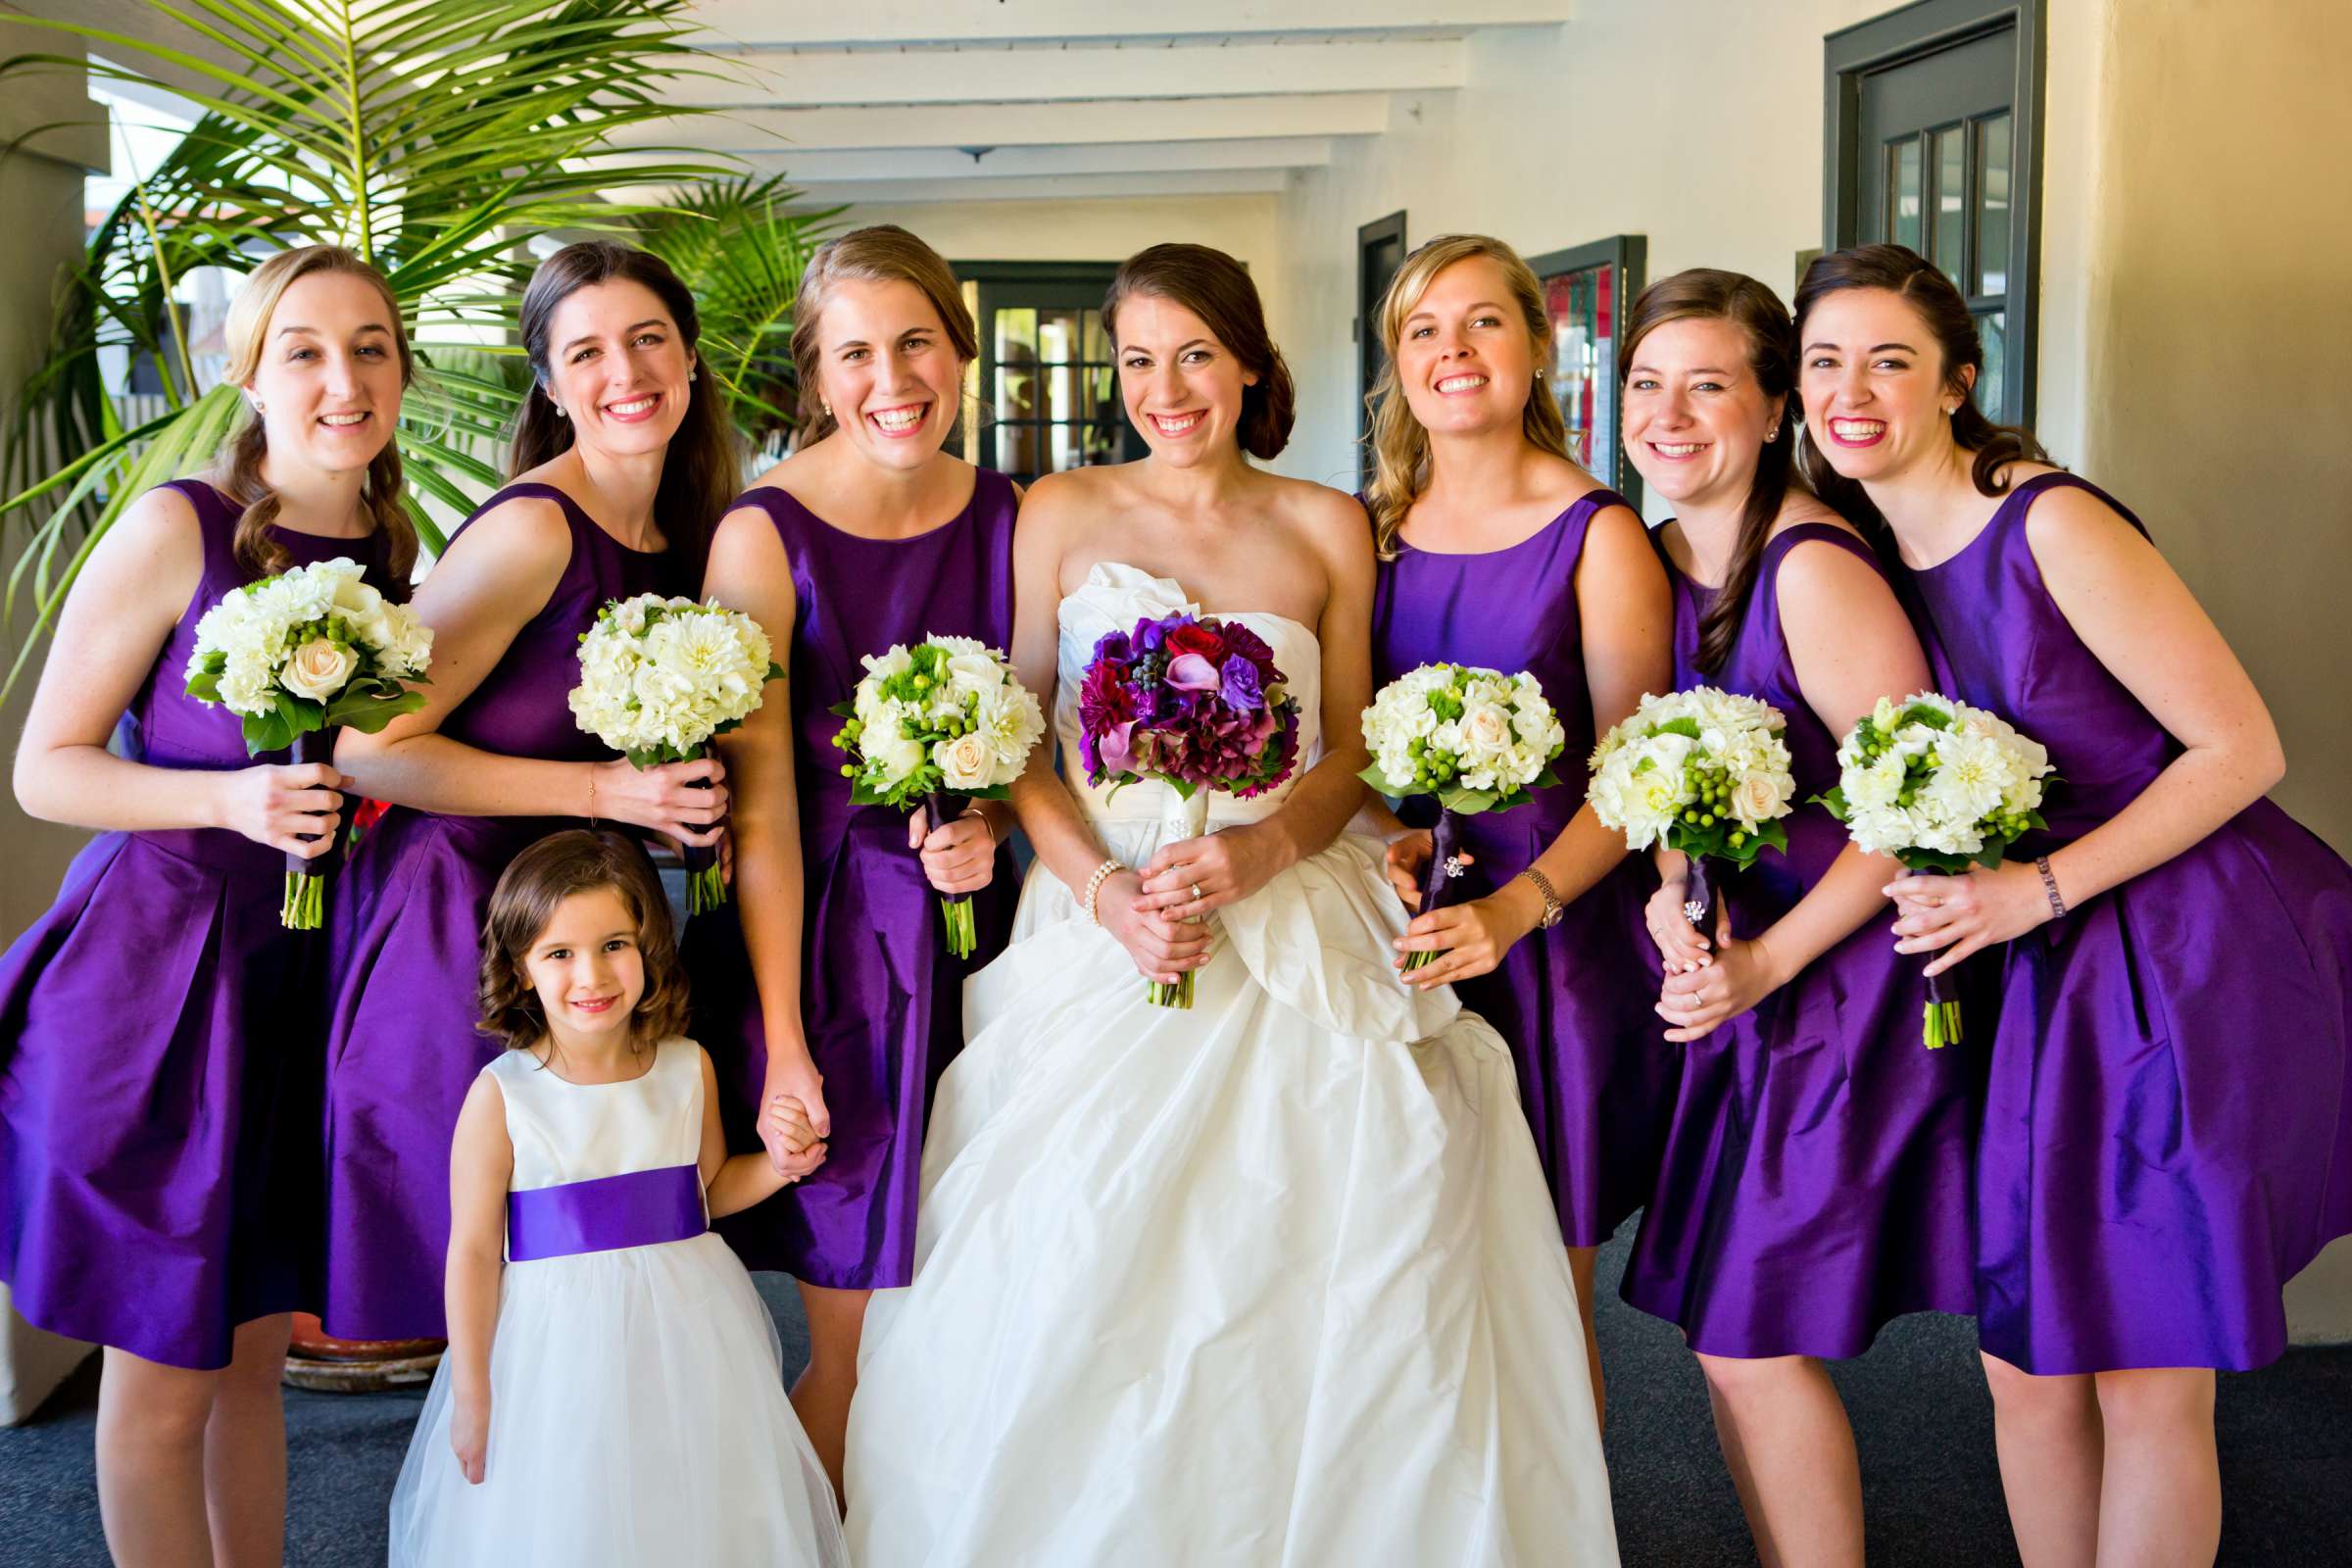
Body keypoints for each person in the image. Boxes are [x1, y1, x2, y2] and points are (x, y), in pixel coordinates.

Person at [842, 243, 1618, 1566]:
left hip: (1291, 909)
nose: (1167, 387)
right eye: (1138, 360)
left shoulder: (1326, 525)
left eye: (1195, 353)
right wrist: (1101, 894)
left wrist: (1261, 858)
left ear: (1250, 361)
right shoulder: (1059, 512)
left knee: (1313, 1269)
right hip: (1107, 924)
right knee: (1082, 1270)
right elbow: (1024, 736)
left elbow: (1352, 746)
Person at [1798, 241, 2352, 1568]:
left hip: (2174, 947)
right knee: (2027, 1365)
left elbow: (2241, 750)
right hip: (2026, 970)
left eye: (1890, 360)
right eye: (1825, 362)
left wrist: (2032, 889)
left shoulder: (2046, 519)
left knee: (2147, 1365)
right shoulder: (1861, 550)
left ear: (1958, 380)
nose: (1851, 390)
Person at [0, 244, 416, 1565]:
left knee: (249, 1357)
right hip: (163, 984)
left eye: (370, 347)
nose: (342, 379)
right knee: (165, 1375)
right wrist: (227, 803)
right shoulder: (177, 522)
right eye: (303, 349)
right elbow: (44, 769)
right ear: (244, 371)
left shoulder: (396, 551)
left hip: (308, 984)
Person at [324, 241, 759, 1342]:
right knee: (492, 1276)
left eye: (649, 337)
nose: (626, 370)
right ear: (553, 385)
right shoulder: (532, 529)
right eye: (588, 351)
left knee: (590, 1268)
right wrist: (611, 793)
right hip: (458, 923)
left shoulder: (687, 532)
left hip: (580, 927)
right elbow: (368, 746)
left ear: (692, 358)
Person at [1611, 268, 1979, 1567]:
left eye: (1709, 384)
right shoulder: (1653, 560)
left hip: (1835, 984)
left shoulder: (1812, 567)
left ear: (1775, 409)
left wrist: (1762, 960)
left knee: (1748, 1337)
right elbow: (1657, 780)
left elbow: (1908, 802)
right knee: (1724, 1341)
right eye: (1648, 383)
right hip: (1738, 979)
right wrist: (1669, 905)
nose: (1670, 414)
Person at [685, 224, 1019, 1490]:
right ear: (819, 377)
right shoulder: (760, 537)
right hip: (830, 947)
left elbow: (1041, 743)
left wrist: (997, 826)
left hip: (985, 931)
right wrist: (780, 1040)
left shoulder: (1010, 515)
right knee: (860, 1319)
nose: (894, 378)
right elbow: (760, 812)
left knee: (988, 1300)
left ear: (959, 347)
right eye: (857, 353)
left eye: (918, 341)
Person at [1362, 234, 1673, 1419]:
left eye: (1484, 322)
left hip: (1555, 945)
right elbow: (1356, 747)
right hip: (1409, 932)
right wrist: (1391, 831)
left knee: (1540, 1286)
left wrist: (1520, 904)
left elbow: (1633, 776)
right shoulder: (1373, 530)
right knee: (1408, 1274)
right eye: (1425, 330)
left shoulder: (1598, 533)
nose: (1455, 351)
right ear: (1399, 361)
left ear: (1540, 346)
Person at [386, 830, 845, 1567]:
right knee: (575, 1505)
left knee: (691, 1493)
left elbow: (710, 1190)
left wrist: (783, 1167)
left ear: (648, 946)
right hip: (555, 1342)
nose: (591, 975)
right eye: (559, 954)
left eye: (614, 945)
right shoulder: (503, 1095)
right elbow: (472, 1251)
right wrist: (473, 1390)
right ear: (520, 967)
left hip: (687, 1324)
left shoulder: (686, 1065)